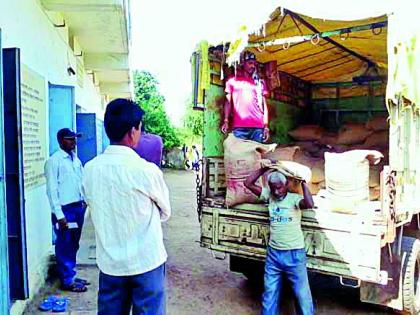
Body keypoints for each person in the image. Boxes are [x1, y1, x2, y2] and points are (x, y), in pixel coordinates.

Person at [82, 98, 171, 315]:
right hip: (147, 262)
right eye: (140, 129)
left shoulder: (90, 170)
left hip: (111, 264)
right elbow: (165, 212)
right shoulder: (146, 171)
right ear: (133, 132)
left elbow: (90, 203)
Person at [244, 166, 314, 315]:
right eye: (273, 188)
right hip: (273, 255)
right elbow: (248, 183)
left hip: (294, 254)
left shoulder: (294, 199)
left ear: (286, 185)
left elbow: (309, 204)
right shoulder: (269, 196)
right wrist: (264, 169)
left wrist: (303, 183)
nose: (276, 192)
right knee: (269, 294)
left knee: (302, 295)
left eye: (279, 188)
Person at [44, 128, 89, 292]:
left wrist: (84, 202)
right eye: (70, 139)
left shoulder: (75, 160)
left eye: (74, 139)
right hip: (64, 211)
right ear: (61, 141)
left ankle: (71, 275)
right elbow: (51, 190)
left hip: (77, 208)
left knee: (74, 244)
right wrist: (59, 215)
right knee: (64, 244)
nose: (74, 142)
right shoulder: (54, 161)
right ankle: (67, 281)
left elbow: (81, 183)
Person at [221, 51, 270, 143]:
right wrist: (226, 121)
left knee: (256, 156)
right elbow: (227, 102)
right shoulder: (232, 80)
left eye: (255, 63)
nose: (253, 66)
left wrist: (266, 126)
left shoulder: (260, 82)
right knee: (239, 156)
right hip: (239, 127)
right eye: (250, 63)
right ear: (242, 63)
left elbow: (264, 106)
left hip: (258, 127)